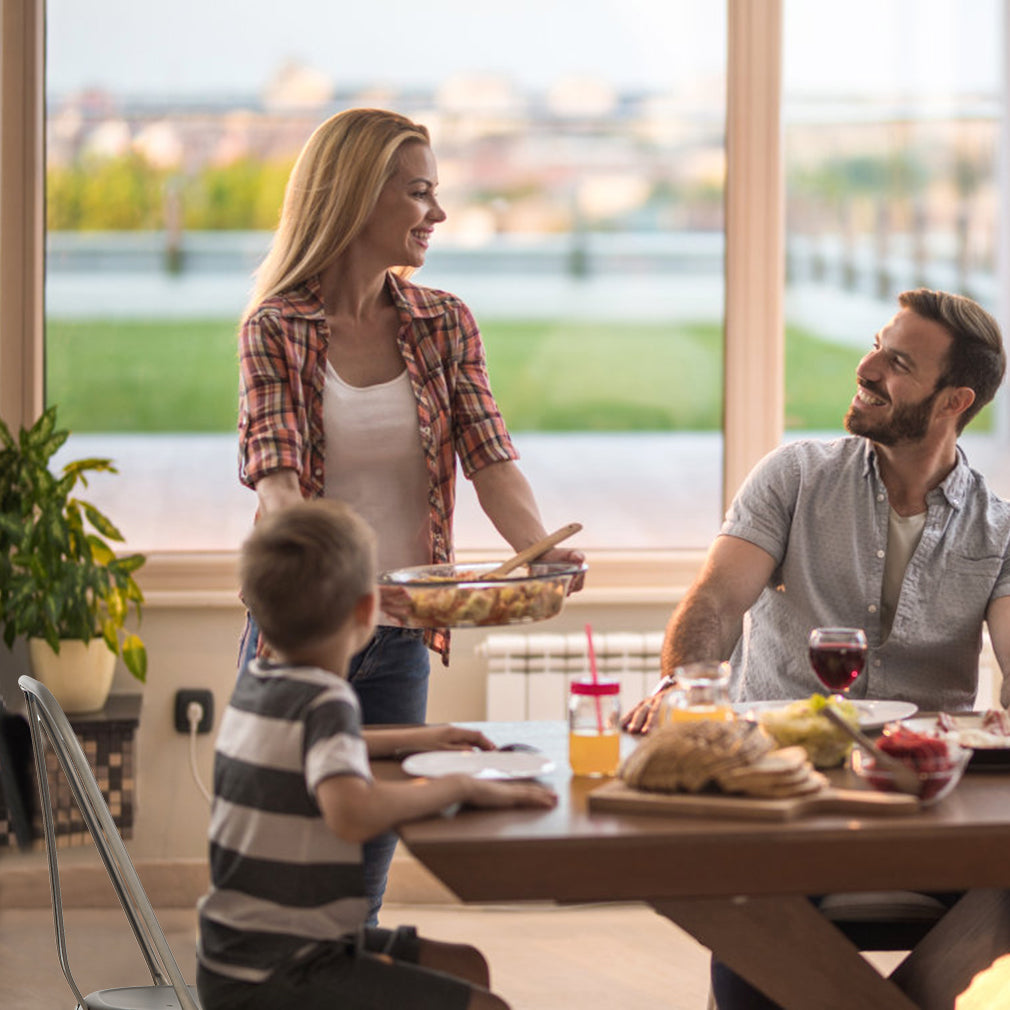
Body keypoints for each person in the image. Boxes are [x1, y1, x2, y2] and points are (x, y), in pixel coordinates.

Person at [236, 107, 583, 920]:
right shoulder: (275, 330)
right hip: (299, 636)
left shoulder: (443, 321)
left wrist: (537, 552)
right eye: (420, 193)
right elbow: (280, 495)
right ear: (358, 197)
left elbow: (490, 460)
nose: (439, 213)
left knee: (358, 891)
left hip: (398, 642)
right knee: (286, 870)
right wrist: (344, 590)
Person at [622, 288, 1010, 1009]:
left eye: (897, 362)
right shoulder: (794, 476)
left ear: (955, 401)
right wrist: (685, 684)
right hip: (781, 792)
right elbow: (715, 600)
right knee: (751, 910)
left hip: (923, 804)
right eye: (876, 345)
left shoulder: (999, 529)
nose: (866, 367)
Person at [197, 499, 557, 1010]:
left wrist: (421, 738)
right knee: (486, 1007)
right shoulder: (327, 699)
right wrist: (458, 786)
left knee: (464, 966)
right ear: (368, 610)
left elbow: (313, 746)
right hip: (284, 970)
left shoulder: (261, 684)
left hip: (234, 958)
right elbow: (351, 812)